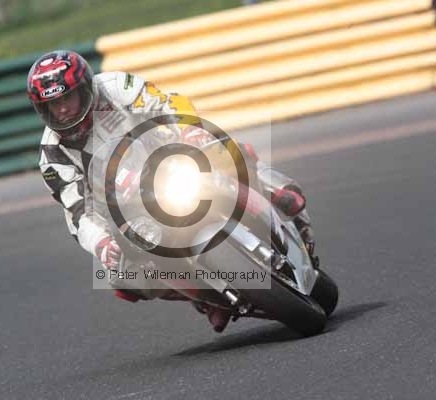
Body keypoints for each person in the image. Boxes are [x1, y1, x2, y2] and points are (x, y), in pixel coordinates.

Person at [27, 50, 316, 333]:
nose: (62, 109)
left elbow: (167, 104)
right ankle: (205, 297)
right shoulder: (52, 156)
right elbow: (78, 212)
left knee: (221, 151)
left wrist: (189, 129)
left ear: (85, 89)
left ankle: (272, 187)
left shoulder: (116, 87)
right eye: (53, 104)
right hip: (124, 208)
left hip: (167, 159)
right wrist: (101, 243)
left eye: (67, 98)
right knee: (123, 276)